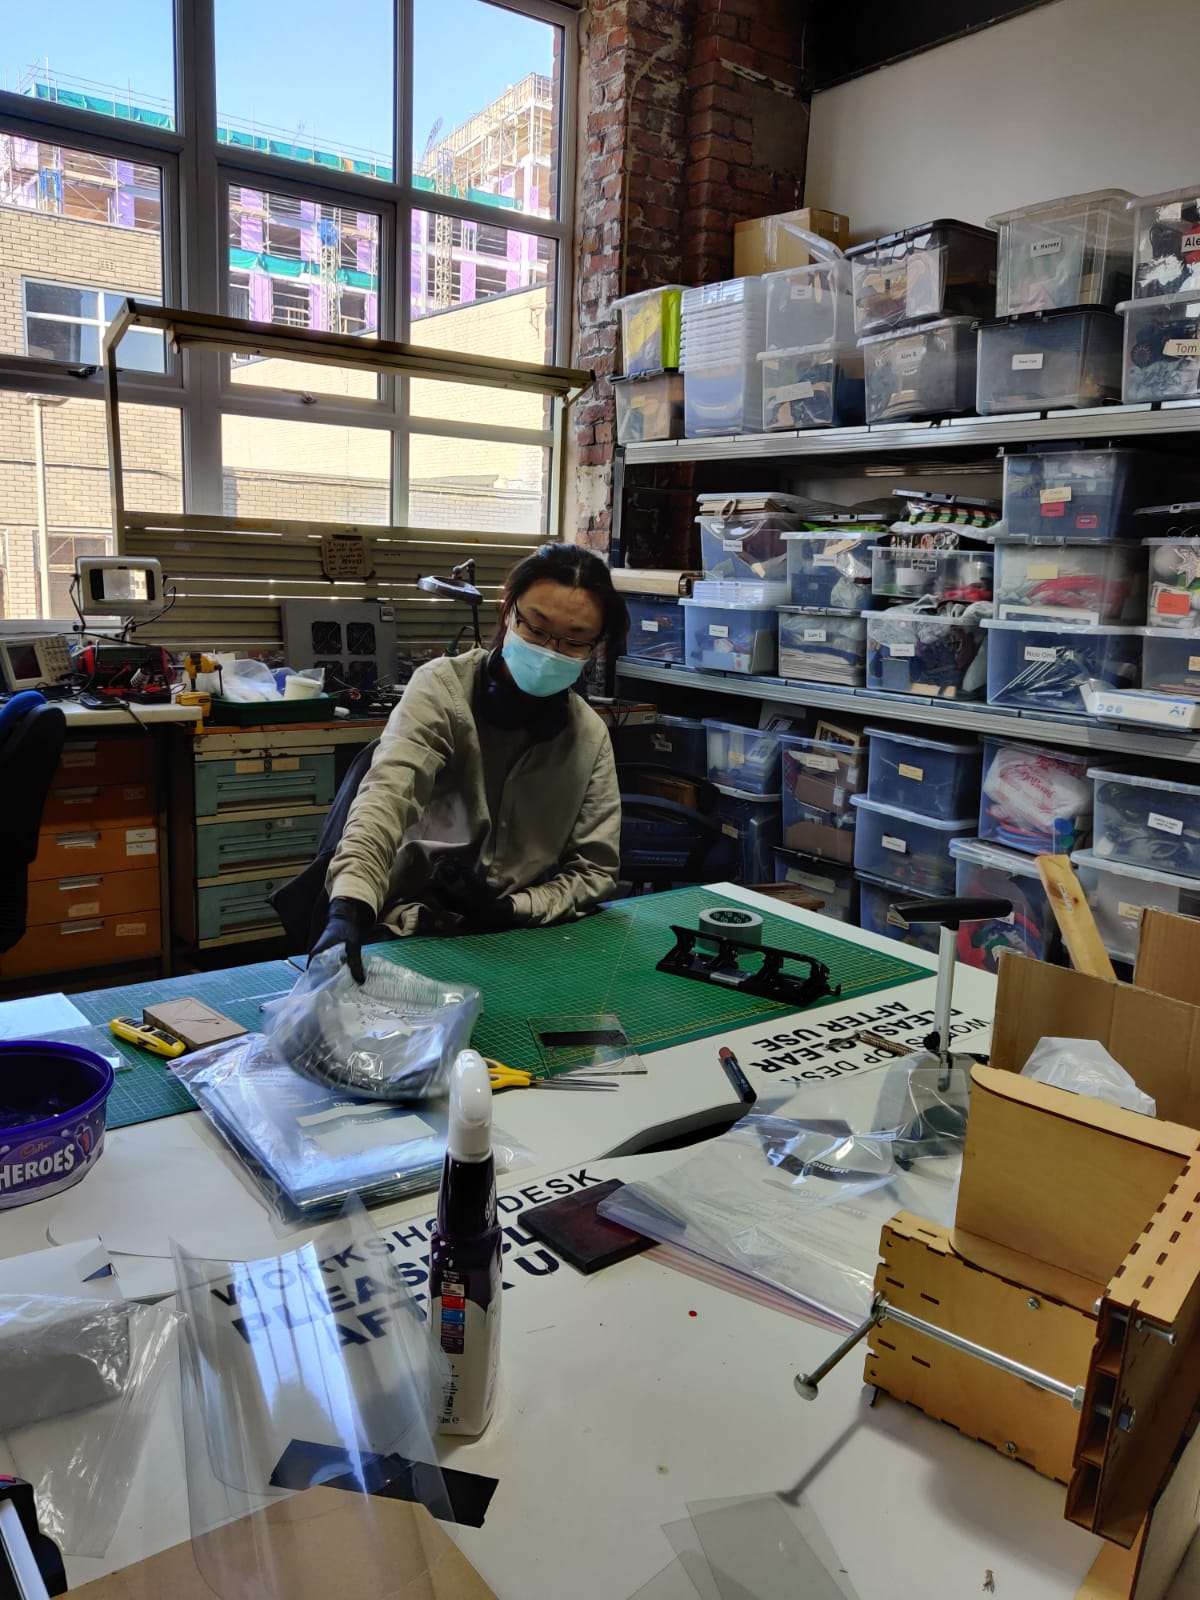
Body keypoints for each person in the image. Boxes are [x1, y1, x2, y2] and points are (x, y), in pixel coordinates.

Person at [312, 542, 628, 980]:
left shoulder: (589, 736)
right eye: (535, 628)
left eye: (574, 640)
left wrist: (509, 908)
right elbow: (386, 798)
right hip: (410, 931)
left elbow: (595, 871)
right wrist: (348, 905)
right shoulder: (441, 689)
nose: (549, 650)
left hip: (520, 939)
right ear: (507, 611)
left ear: (595, 646)